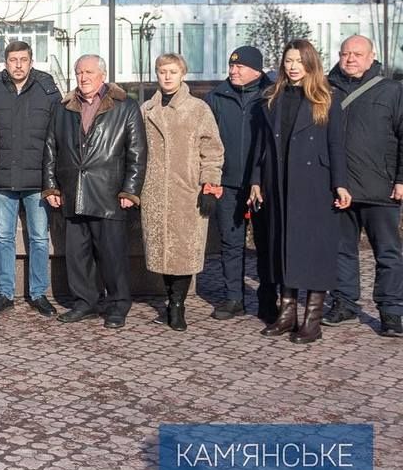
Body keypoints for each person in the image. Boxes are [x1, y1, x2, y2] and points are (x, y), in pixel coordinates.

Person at [249, 39, 352, 344]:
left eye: (299, 61)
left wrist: (340, 182)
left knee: (313, 249)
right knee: (283, 244)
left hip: (315, 182)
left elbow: (336, 145)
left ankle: (312, 319)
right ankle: (287, 313)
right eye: (288, 61)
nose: (293, 67)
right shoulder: (272, 97)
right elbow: (261, 144)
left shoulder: (327, 97)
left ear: (310, 64)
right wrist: (256, 178)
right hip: (278, 180)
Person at [43, 55, 146, 329]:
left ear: (102, 74)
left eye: (88, 72)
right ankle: (85, 303)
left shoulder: (125, 106)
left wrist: (130, 190)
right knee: (77, 256)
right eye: (78, 72)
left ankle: (117, 305)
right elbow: (51, 148)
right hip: (74, 191)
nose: (83, 77)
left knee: (112, 256)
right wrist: (51, 185)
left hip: (108, 193)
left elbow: (137, 152)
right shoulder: (64, 107)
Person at [323, 35, 403, 337]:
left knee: (388, 253)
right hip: (340, 188)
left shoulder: (392, 91)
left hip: (381, 188)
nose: (350, 59)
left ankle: (391, 312)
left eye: (357, 54)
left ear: (372, 57)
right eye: (345, 53)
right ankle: (344, 303)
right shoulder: (326, 90)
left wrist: (401, 179)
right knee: (342, 251)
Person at [138, 53, 224, 332]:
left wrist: (209, 185)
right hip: (154, 191)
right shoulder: (146, 109)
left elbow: (212, 151)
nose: (167, 76)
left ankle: (177, 305)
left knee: (183, 252)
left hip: (186, 192)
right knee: (161, 251)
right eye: (162, 71)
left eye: (172, 71)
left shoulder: (198, 109)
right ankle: (168, 299)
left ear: (182, 74)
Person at [0, 40, 61, 317]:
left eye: (23, 60)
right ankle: (5, 293)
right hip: (2, 178)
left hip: (37, 180)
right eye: (13, 60)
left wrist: (53, 180)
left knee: (39, 238)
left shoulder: (47, 90)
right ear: (5, 62)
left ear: (31, 61)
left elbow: (57, 136)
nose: (18, 65)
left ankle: (38, 293)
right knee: (3, 238)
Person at [204, 45, 275, 321]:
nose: (233, 71)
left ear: (256, 69)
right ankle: (234, 297)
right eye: (231, 66)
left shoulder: (271, 96)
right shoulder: (216, 97)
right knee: (230, 242)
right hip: (228, 183)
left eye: (240, 67)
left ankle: (268, 298)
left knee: (264, 242)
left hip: (263, 183)